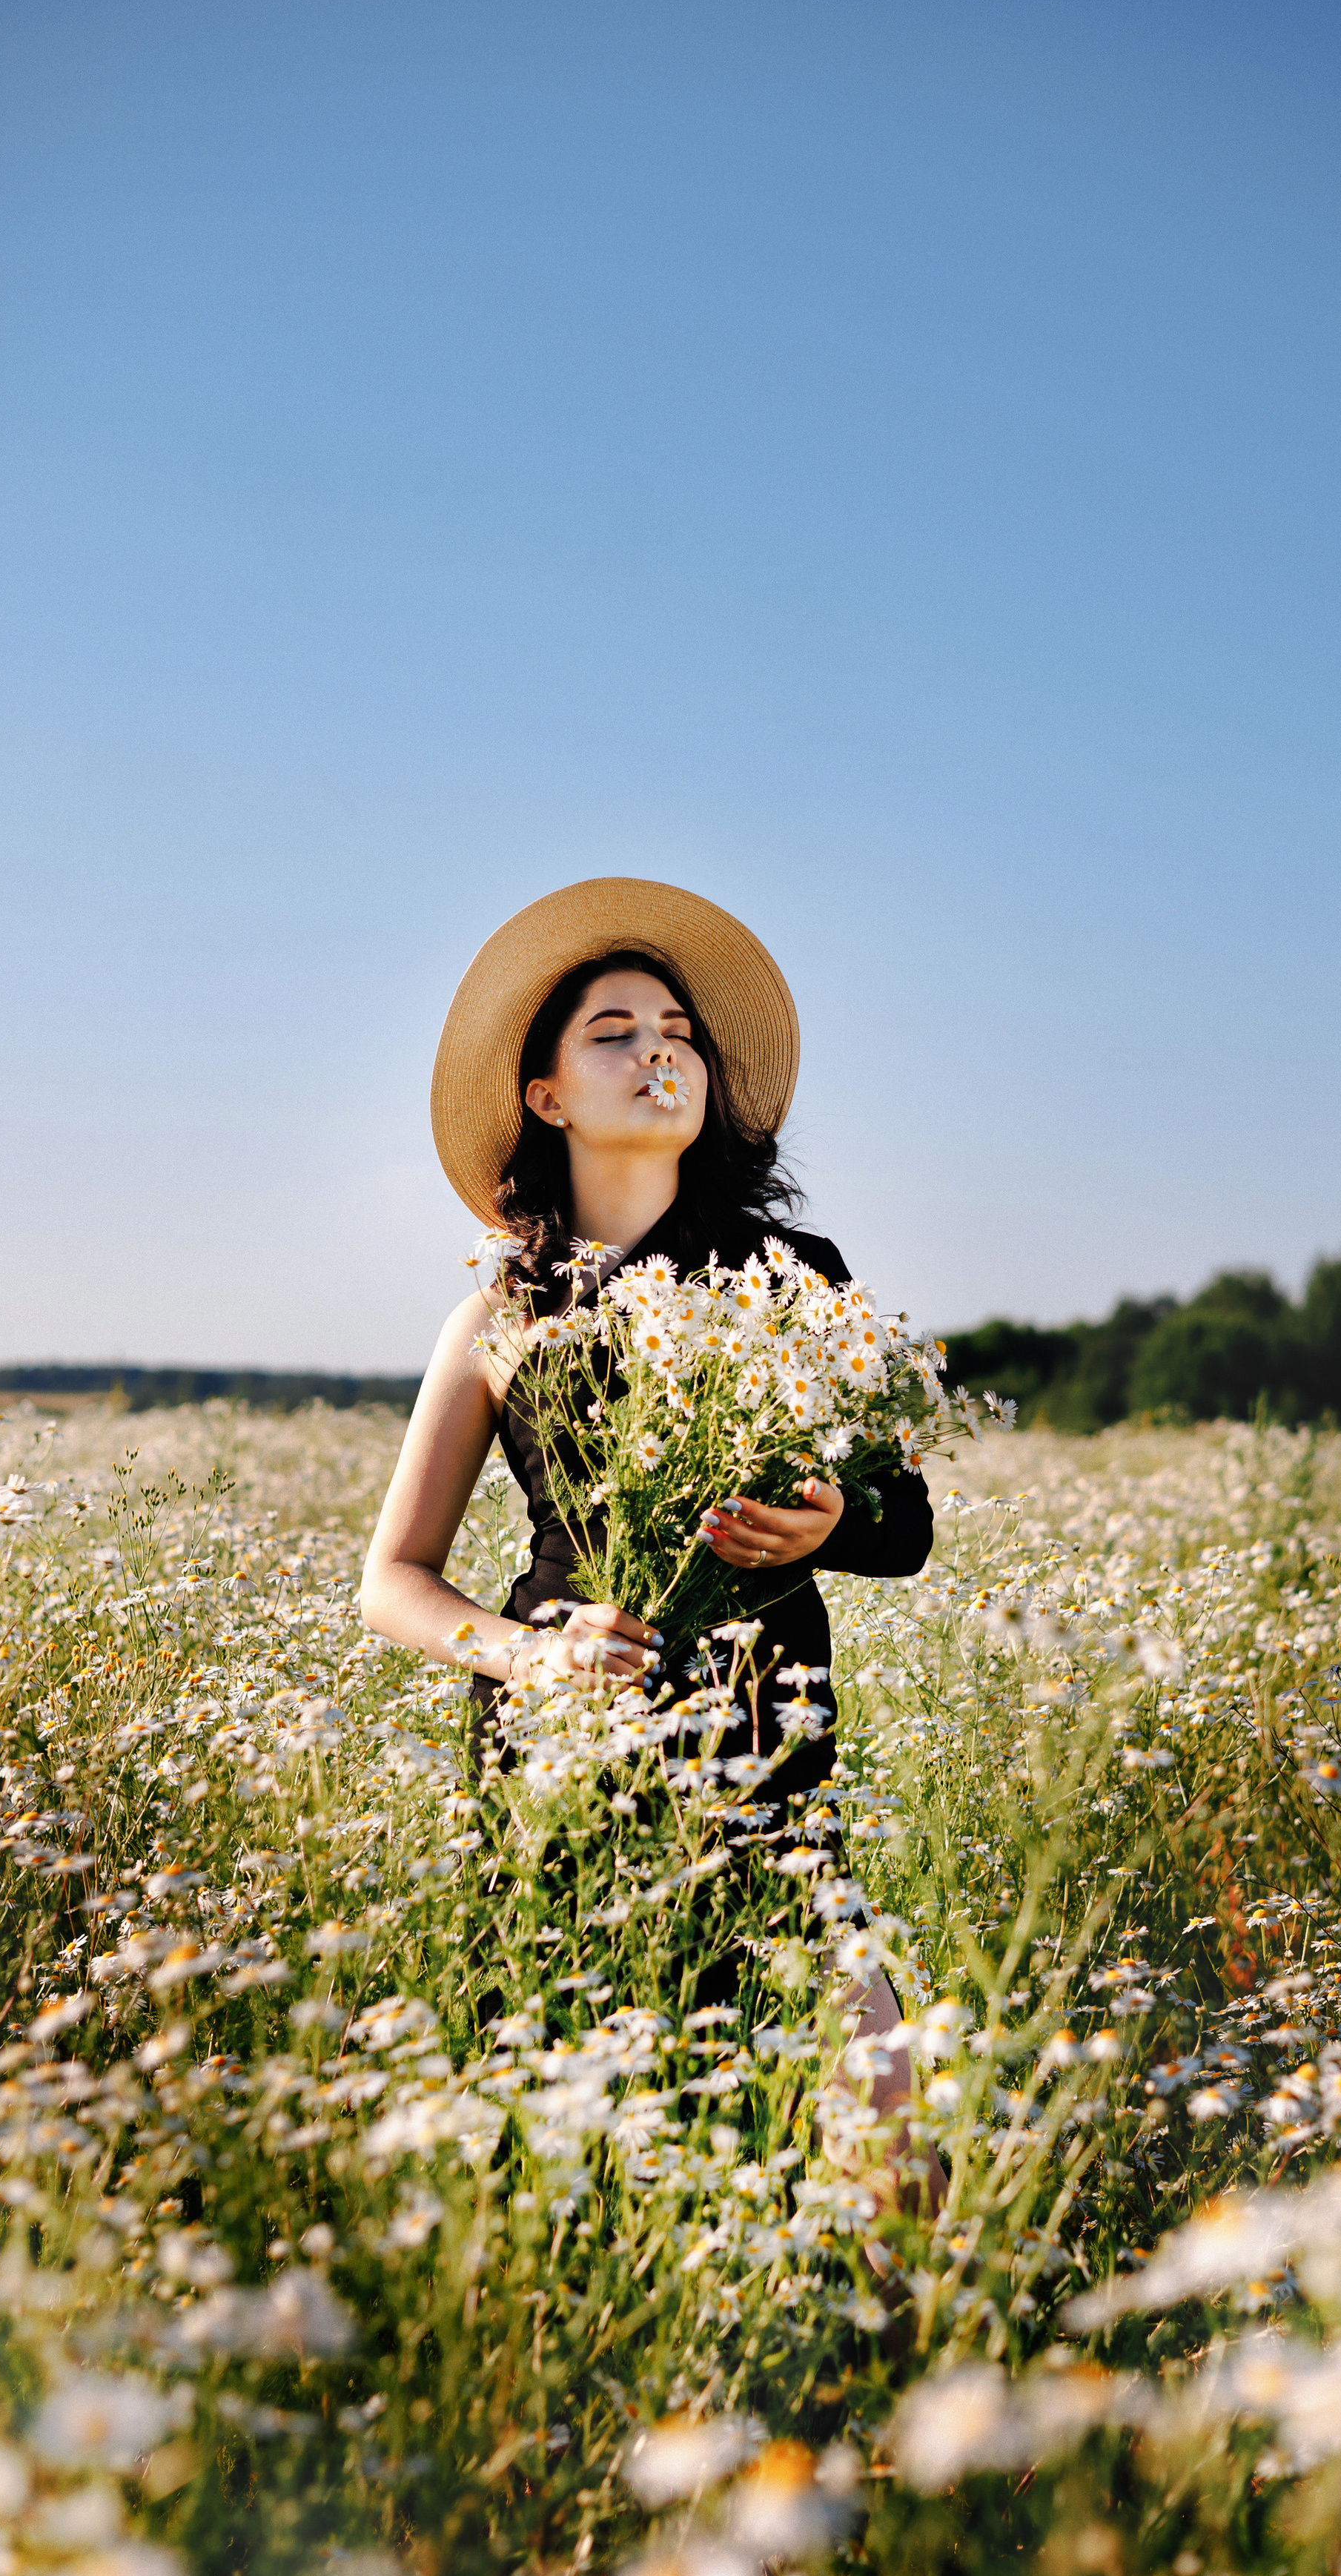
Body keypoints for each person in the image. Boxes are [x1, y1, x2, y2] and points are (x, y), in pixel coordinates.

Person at [360, 876, 939, 2210]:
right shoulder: (501, 1312)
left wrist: (834, 1517)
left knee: (881, 2113)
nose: (659, 1048)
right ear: (547, 1096)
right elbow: (389, 1580)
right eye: (612, 1031)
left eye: (676, 1027)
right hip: (568, 1755)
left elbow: (905, 1527)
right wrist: (524, 1656)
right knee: (597, 2129)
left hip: (764, 1742)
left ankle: (912, 2398)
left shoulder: (793, 1273)